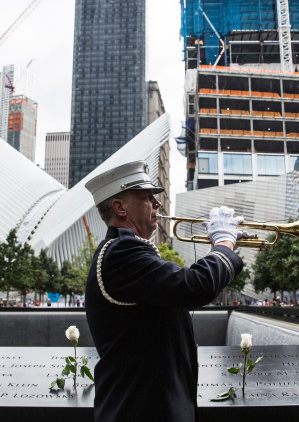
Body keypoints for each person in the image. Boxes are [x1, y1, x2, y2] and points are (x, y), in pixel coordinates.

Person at [84, 161, 243, 422]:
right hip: (141, 410)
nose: (157, 204)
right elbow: (195, 286)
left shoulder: (124, 251)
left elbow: (179, 288)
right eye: (147, 197)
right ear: (119, 207)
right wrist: (225, 242)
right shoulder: (121, 253)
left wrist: (224, 246)